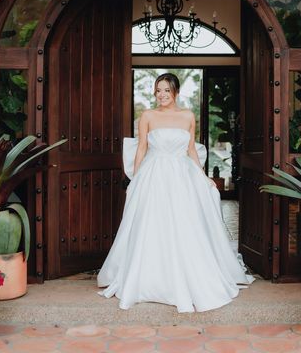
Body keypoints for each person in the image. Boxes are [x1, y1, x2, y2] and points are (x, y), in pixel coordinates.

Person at [97, 72, 254, 313]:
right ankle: (149, 278)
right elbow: (141, 149)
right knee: (151, 223)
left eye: (166, 91)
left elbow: (191, 149)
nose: (161, 95)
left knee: (184, 223)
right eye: (158, 90)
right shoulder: (147, 116)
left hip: (182, 176)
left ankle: (189, 274)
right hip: (154, 175)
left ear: (176, 93)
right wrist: (136, 178)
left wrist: (203, 177)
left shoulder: (188, 116)